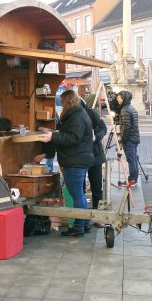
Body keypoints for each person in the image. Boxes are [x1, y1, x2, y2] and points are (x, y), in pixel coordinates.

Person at [40, 89, 95, 237]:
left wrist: (53, 137)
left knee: (77, 194)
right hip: (78, 159)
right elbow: (70, 135)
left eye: (63, 102)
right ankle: (84, 224)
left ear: (67, 101)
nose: (61, 105)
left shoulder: (76, 116)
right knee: (79, 194)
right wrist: (54, 133)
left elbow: (72, 138)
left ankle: (79, 227)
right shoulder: (77, 114)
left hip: (75, 160)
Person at [81, 94, 108, 209]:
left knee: (96, 185)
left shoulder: (92, 113)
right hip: (80, 156)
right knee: (80, 187)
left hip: (95, 154)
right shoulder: (71, 115)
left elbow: (103, 128)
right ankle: (83, 215)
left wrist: (96, 137)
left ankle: (98, 212)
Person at [116, 90, 140, 187]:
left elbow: (126, 126)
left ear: (124, 98)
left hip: (129, 139)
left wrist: (123, 139)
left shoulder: (125, 109)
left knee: (131, 159)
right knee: (133, 159)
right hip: (134, 137)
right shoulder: (130, 108)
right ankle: (133, 179)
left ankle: (132, 180)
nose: (117, 99)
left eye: (119, 98)